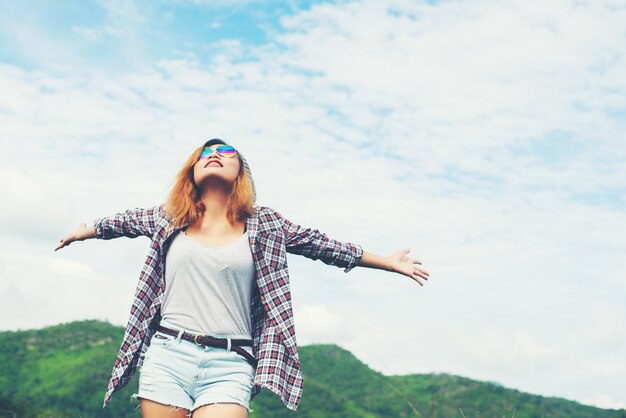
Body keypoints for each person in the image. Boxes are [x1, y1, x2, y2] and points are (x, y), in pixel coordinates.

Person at [54, 138, 430, 418]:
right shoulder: (167, 217)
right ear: (192, 171)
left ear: (240, 173)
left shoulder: (266, 224)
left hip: (231, 361)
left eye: (226, 152)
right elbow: (121, 222)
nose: (214, 154)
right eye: (204, 153)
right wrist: (86, 230)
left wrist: (386, 261)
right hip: (168, 353)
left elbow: (322, 245)